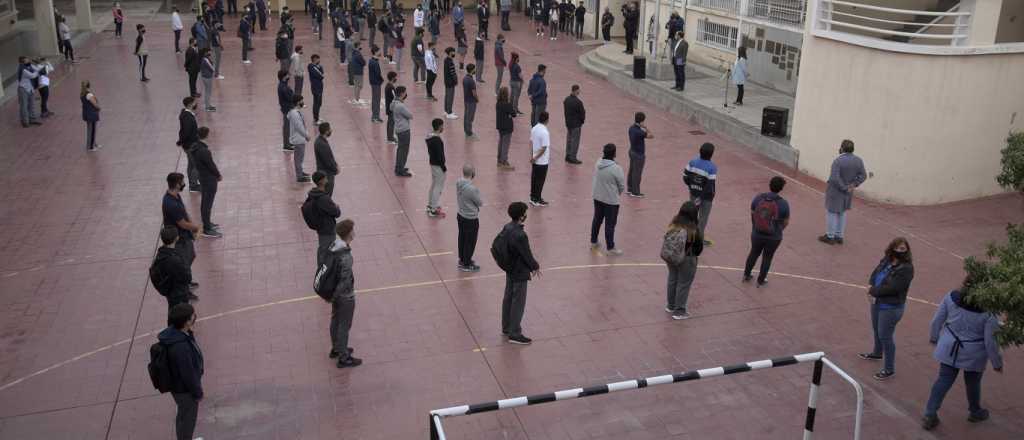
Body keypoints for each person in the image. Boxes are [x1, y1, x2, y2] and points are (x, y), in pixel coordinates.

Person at [921, 275, 1003, 431]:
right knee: (973, 382)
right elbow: (990, 341)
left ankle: (930, 414)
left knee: (943, 379)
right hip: (974, 352)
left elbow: (937, 320)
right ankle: (975, 411)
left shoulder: (951, 297)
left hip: (949, 346)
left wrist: (934, 337)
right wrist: (996, 363)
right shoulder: (990, 312)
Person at [859, 237, 915, 381]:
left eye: (903, 249)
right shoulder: (887, 260)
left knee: (885, 336)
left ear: (907, 250)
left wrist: (873, 291)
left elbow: (894, 288)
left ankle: (889, 369)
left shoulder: (907, 269)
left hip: (891, 307)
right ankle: (877, 352)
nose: (900, 251)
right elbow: (875, 273)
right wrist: (871, 285)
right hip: (877, 302)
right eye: (898, 248)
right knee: (876, 329)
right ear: (892, 248)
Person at [159, 303, 205, 440]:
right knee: (188, 419)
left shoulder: (176, 335)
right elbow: (188, 374)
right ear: (186, 322)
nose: (194, 318)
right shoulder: (181, 347)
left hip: (178, 387)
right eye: (192, 316)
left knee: (183, 415)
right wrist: (198, 392)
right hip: (185, 390)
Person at [499, 202, 541, 344]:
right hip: (519, 271)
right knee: (518, 302)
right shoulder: (520, 235)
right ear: (522, 216)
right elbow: (526, 254)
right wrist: (535, 266)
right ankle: (515, 333)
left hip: (510, 268)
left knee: (508, 297)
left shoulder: (507, 227)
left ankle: (506, 327)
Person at [742, 176, 790, 287]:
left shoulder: (759, 198)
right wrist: (779, 230)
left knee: (754, 253)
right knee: (767, 257)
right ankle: (761, 280)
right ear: (781, 188)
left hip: (757, 233)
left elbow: (752, 212)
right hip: (774, 237)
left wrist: (755, 226)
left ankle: (746, 274)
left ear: (769, 185)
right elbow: (786, 222)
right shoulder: (783, 203)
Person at [328, 219, 362, 368]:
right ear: (349, 234)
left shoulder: (334, 246)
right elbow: (345, 280)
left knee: (335, 320)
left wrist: (332, 295)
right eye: (352, 230)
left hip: (334, 293)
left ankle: (336, 348)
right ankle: (344, 357)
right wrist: (339, 294)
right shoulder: (346, 255)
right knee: (344, 325)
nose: (354, 232)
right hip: (345, 296)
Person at [820, 139, 867, 245]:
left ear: (842, 148)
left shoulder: (838, 161)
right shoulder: (858, 160)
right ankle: (839, 235)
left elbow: (834, 178)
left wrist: (844, 187)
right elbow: (863, 175)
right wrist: (853, 185)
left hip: (836, 191)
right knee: (842, 212)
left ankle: (830, 235)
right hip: (848, 191)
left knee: (832, 212)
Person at [162, 172, 202, 292]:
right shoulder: (170, 204)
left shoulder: (176, 196)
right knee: (183, 263)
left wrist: (192, 225)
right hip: (178, 238)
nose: (184, 184)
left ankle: (187, 281)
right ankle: (184, 288)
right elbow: (182, 224)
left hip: (184, 235)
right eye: (183, 182)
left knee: (190, 256)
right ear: (177, 184)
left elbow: (184, 214)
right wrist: (196, 228)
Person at [591, 143, 625, 255]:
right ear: (614, 154)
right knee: (610, 224)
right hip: (611, 200)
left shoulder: (598, 163)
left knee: (597, 220)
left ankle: (593, 241)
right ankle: (610, 248)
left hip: (597, 197)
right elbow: (621, 186)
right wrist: (616, 194)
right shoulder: (616, 168)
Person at [152, 227, 193, 317]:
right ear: (177, 238)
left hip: (169, 290)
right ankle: (177, 329)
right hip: (178, 292)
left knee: (173, 311)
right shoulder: (174, 259)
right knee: (180, 315)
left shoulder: (161, 253)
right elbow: (187, 277)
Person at [192, 127, 223, 238]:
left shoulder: (195, 147)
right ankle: (207, 228)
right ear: (206, 135)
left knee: (205, 202)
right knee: (207, 203)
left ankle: (207, 223)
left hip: (203, 177)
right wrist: (218, 175)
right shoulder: (204, 151)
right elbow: (211, 165)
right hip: (209, 179)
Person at [683, 142, 717, 241]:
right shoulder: (712, 167)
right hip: (706, 197)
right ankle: (699, 238)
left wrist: (691, 186)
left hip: (694, 194)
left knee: (692, 214)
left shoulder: (692, 162)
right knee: (703, 217)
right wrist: (701, 196)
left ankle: (689, 236)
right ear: (711, 154)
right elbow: (710, 185)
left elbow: (685, 177)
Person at [307, 171, 342, 268]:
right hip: (327, 228)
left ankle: (323, 269)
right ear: (321, 181)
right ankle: (324, 272)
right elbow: (337, 213)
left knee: (323, 248)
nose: (327, 179)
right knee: (327, 250)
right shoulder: (323, 198)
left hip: (321, 227)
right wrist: (336, 207)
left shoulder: (313, 194)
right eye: (325, 178)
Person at [456, 164, 482, 271]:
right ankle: (466, 263)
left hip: (461, 215)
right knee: (470, 241)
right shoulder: (472, 189)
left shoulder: (458, 182)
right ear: (472, 173)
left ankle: (462, 259)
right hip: (471, 218)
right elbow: (479, 202)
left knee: (462, 238)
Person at [177, 97, 201, 191]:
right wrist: (182, 141)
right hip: (190, 144)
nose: (196, 104)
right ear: (190, 104)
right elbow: (186, 131)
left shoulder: (187, 114)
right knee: (196, 165)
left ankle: (192, 183)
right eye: (194, 102)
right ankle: (194, 185)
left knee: (191, 164)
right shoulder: (187, 117)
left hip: (188, 144)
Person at [626, 112, 653, 197]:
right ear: (641, 121)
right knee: (637, 173)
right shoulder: (639, 132)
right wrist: (646, 128)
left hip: (632, 151)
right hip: (639, 154)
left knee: (631, 170)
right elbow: (651, 136)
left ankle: (630, 189)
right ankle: (635, 192)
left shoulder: (631, 128)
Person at [426, 118, 448, 217]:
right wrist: (443, 166)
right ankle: (433, 209)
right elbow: (440, 156)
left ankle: (430, 205)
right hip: (438, 165)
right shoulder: (437, 140)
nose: (443, 128)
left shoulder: (430, 137)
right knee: (438, 187)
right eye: (442, 126)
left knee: (434, 184)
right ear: (439, 127)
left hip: (432, 163)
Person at [391, 86, 414, 177]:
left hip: (398, 129)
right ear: (401, 94)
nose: (405, 94)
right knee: (404, 150)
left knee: (400, 149)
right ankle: (400, 170)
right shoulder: (400, 106)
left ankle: (399, 167)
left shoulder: (394, 103)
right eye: (405, 92)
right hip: (404, 130)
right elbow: (410, 115)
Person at [529, 112, 551, 206]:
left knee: (534, 179)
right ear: (547, 120)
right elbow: (544, 148)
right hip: (542, 161)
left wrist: (532, 157)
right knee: (540, 180)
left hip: (535, 159)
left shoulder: (534, 128)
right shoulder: (545, 132)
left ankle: (533, 197)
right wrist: (536, 157)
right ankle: (537, 199)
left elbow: (531, 142)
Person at [289, 96, 312, 182]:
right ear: (298, 102)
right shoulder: (295, 114)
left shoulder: (296, 112)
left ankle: (301, 172)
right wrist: (306, 135)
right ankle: (299, 176)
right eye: (302, 101)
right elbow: (299, 127)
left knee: (300, 157)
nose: (303, 102)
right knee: (298, 158)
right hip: (298, 139)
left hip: (300, 139)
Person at [314, 122, 339, 196]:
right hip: (326, 174)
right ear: (326, 131)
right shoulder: (322, 144)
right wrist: (335, 169)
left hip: (325, 172)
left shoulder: (321, 141)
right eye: (330, 129)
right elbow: (327, 161)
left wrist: (335, 164)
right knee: (326, 195)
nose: (331, 130)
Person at [563, 84, 585, 164]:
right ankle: (573, 157)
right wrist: (581, 121)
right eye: (579, 90)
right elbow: (582, 113)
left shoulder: (566, 100)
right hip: (576, 124)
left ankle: (568, 155)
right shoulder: (578, 102)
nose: (579, 91)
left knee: (569, 140)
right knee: (575, 141)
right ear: (576, 90)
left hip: (568, 123)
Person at [495, 86, 516, 170]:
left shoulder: (498, 103)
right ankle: (504, 161)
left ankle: (499, 160)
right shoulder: (507, 104)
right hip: (507, 127)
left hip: (500, 126)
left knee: (501, 143)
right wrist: (510, 115)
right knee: (505, 144)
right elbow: (514, 114)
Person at [16, 57, 41, 128]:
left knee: (32, 105)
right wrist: (38, 72)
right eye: (27, 60)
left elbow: (37, 69)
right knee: (24, 106)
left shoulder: (29, 66)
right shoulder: (22, 69)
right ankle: (25, 122)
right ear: (23, 62)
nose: (29, 60)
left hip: (30, 88)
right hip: (23, 89)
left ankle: (32, 119)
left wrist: (38, 64)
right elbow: (32, 76)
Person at [278, 71, 296, 152]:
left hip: (287, 108)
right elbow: (289, 96)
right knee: (286, 127)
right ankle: (286, 145)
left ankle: (288, 142)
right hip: (287, 109)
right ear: (284, 77)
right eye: (287, 75)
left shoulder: (283, 85)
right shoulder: (283, 87)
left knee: (288, 127)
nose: (289, 76)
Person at [81, 81, 101, 151]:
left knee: (91, 129)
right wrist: (98, 107)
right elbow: (94, 104)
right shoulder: (89, 94)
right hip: (91, 114)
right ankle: (90, 147)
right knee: (92, 130)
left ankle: (94, 143)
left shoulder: (82, 93)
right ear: (89, 85)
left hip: (87, 113)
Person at [368, 46, 385, 122]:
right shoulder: (374, 62)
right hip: (376, 83)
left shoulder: (372, 61)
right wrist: (381, 80)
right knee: (376, 100)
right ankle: (375, 116)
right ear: (375, 52)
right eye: (378, 51)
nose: (380, 52)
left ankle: (375, 116)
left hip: (374, 82)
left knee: (375, 99)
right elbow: (378, 73)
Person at [463, 64, 479, 139]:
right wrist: (477, 99)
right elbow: (474, 93)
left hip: (466, 100)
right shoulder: (471, 81)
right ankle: (469, 133)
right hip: (471, 101)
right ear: (472, 70)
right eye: (474, 69)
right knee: (470, 118)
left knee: (466, 116)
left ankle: (466, 131)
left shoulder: (465, 78)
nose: (475, 70)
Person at [443, 47, 459, 119]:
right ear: (450, 53)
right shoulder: (450, 62)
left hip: (446, 81)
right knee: (450, 97)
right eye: (453, 52)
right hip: (450, 82)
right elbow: (453, 73)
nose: (454, 53)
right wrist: (456, 80)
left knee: (447, 96)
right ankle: (449, 113)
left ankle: (446, 110)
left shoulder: (446, 60)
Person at [308, 54, 325, 123]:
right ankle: (315, 119)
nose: (319, 60)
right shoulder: (311, 67)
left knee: (319, 102)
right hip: (316, 87)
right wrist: (320, 69)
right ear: (315, 59)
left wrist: (320, 67)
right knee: (316, 103)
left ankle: (317, 117)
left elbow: (322, 72)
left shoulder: (317, 66)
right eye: (318, 59)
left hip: (319, 87)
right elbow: (321, 75)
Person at [384, 71, 398, 143]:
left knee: (390, 122)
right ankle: (390, 137)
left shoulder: (387, 85)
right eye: (395, 77)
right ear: (392, 78)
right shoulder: (391, 87)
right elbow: (395, 97)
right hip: (391, 108)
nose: (396, 78)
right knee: (391, 123)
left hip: (389, 107)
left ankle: (389, 136)